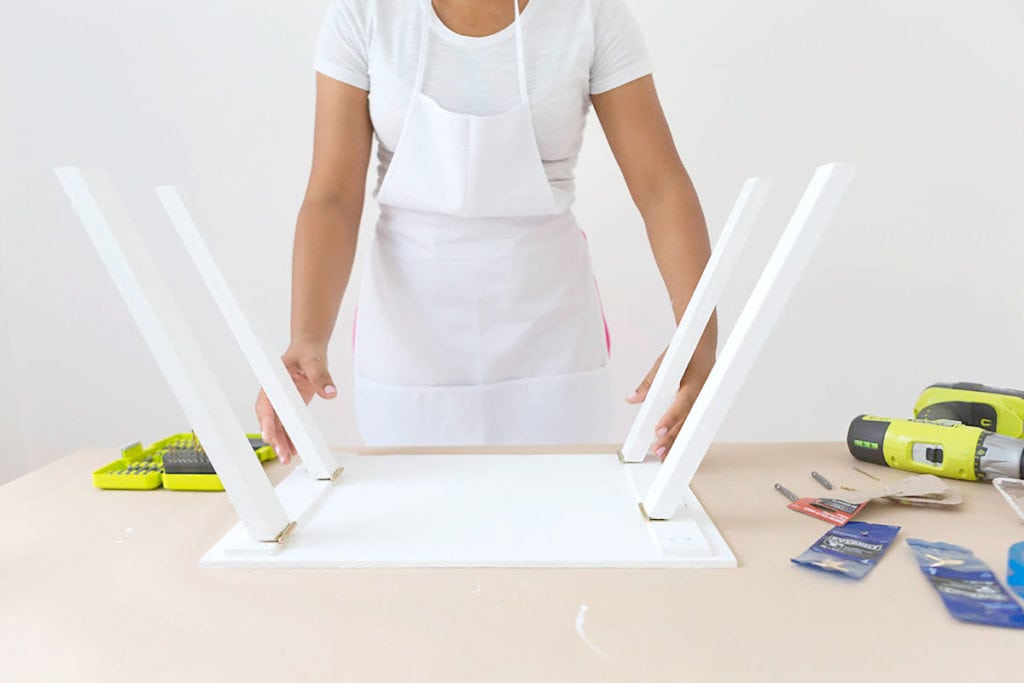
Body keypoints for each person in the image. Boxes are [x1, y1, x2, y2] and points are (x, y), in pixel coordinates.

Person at [257, 0, 716, 463]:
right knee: (416, 521)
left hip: (550, 337)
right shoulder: (365, 14)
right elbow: (331, 199)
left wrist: (699, 335)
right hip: (409, 340)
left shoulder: (589, 14)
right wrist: (307, 338)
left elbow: (660, 186)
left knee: (561, 518)